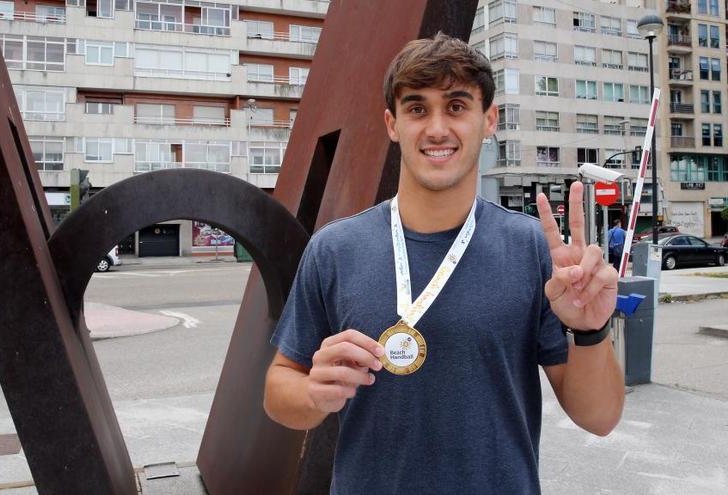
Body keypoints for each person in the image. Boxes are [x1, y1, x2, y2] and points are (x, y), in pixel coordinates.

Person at [263, 33, 624, 494]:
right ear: (393, 124)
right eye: (417, 109)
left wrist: (591, 331)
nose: (436, 129)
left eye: (456, 106)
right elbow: (279, 387)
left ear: (488, 120)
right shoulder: (334, 248)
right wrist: (313, 394)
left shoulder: (531, 248)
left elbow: (600, 419)